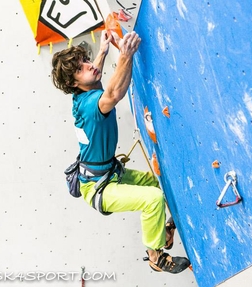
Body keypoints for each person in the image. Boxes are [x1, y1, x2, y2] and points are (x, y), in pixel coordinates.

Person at [51, 30, 190, 274]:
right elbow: (114, 93)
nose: (88, 66)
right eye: (81, 68)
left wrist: (102, 52)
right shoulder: (92, 106)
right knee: (153, 200)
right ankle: (155, 255)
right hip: (99, 189)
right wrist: (126, 55)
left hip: (105, 174)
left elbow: (92, 76)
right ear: (74, 83)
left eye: (85, 61)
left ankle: (164, 231)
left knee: (157, 183)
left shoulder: (81, 92)